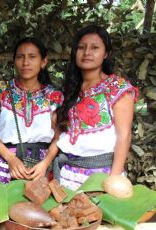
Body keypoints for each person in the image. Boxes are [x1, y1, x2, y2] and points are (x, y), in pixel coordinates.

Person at [54, 25, 138, 190]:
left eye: (95, 48)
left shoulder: (117, 88)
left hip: (102, 175)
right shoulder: (70, 90)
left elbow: (124, 136)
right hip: (67, 175)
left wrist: (113, 180)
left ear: (106, 54)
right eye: (81, 47)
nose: (87, 52)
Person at [0, 37, 63, 183]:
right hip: (5, 163)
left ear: (43, 62)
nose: (25, 62)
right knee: (1, 205)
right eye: (20, 57)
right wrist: (10, 159)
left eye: (32, 57)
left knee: (40, 206)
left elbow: (58, 137)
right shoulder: (2, 91)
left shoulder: (54, 96)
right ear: (14, 61)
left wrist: (46, 163)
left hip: (41, 168)